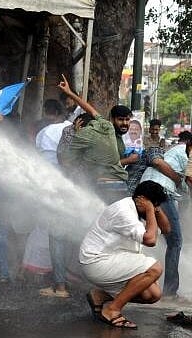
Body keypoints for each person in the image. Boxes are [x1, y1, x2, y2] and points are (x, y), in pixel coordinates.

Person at [80, 181, 170, 329]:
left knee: (153, 295)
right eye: (153, 205)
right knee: (155, 268)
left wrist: (155, 209)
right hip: (97, 261)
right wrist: (149, 210)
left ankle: (100, 296)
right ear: (141, 200)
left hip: (114, 260)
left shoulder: (142, 209)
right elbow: (151, 240)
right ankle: (111, 310)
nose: (154, 210)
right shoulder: (123, 210)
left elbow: (166, 229)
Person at [59, 75, 129, 204]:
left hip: (102, 186)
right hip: (121, 185)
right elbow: (90, 110)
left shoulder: (82, 136)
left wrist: (77, 134)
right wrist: (70, 93)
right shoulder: (107, 126)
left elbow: (66, 161)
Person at [139, 131, 192, 298]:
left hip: (148, 190)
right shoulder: (186, 152)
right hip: (160, 190)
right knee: (175, 240)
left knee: (159, 236)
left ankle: (144, 282)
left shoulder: (180, 151)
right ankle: (170, 291)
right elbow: (188, 181)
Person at [35, 101, 72, 298]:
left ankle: (60, 286)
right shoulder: (72, 129)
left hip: (51, 188)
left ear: (51, 113)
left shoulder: (45, 133)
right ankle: (66, 278)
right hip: (72, 188)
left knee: (56, 236)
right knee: (68, 235)